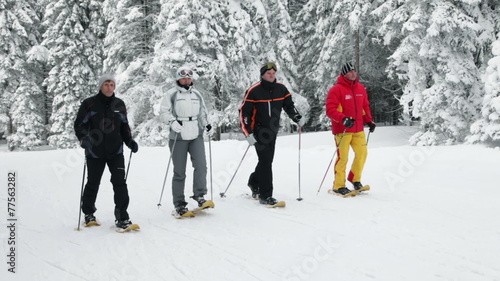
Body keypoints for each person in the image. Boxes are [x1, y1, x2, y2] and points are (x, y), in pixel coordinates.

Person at [74, 74, 139, 229]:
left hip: (115, 151)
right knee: (93, 183)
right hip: (94, 152)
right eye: (106, 84)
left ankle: (122, 217)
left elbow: (124, 126)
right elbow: (79, 125)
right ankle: (89, 214)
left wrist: (129, 141)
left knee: (120, 183)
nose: (109, 87)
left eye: (111, 84)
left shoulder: (119, 104)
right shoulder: (89, 104)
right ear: (100, 86)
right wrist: (84, 139)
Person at [239, 62, 304, 205]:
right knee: (266, 161)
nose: (271, 75)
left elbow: (289, 106)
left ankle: (254, 181)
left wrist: (296, 117)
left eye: (273, 73)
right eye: (268, 73)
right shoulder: (254, 91)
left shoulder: (281, 89)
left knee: (266, 161)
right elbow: (244, 113)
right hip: (258, 131)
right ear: (262, 75)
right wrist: (248, 133)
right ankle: (265, 195)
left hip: (272, 131)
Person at [159, 65, 213, 216]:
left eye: (189, 77)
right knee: (179, 172)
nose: (186, 80)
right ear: (178, 78)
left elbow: (202, 113)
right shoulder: (171, 94)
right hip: (179, 136)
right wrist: (171, 121)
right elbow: (163, 112)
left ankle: (200, 195)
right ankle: (179, 203)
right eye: (183, 77)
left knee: (201, 165)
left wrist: (206, 125)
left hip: (196, 134)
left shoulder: (197, 94)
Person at [325, 62, 376, 196]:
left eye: (354, 71)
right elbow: (330, 110)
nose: (353, 73)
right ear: (344, 74)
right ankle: (339, 185)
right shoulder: (336, 89)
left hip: (358, 129)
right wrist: (343, 119)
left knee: (362, 153)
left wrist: (369, 121)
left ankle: (355, 179)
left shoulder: (360, 88)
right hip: (343, 130)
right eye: (350, 72)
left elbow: (365, 107)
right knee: (343, 158)